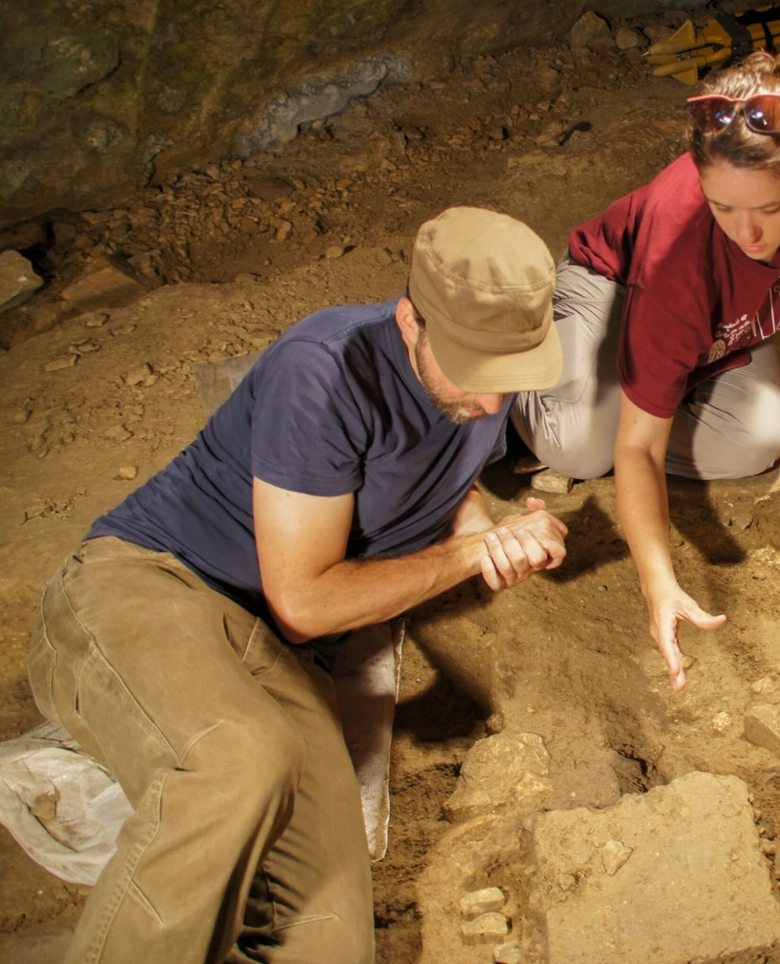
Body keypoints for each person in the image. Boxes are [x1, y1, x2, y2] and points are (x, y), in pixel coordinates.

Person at [27, 207, 570, 964]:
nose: (490, 403)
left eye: (507, 378)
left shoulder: (491, 366)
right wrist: (469, 558)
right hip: (151, 584)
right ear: (412, 318)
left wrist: (489, 528)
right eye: (475, 374)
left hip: (281, 657)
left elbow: (451, 481)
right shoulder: (324, 370)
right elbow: (307, 602)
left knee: (328, 942)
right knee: (238, 765)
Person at [512, 51, 780, 689]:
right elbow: (636, 449)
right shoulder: (678, 248)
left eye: (770, 209)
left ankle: (660, 382)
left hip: (731, 323)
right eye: (723, 207)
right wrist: (659, 583)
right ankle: (548, 362)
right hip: (614, 288)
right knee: (581, 446)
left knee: (757, 441)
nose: (747, 232)